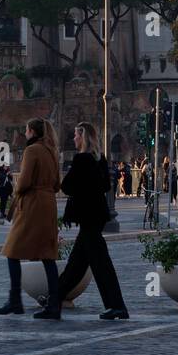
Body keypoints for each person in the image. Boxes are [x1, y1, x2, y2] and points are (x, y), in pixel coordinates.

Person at [47, 121, 128, 321]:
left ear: (83, 137)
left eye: (76, 135)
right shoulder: (99, 159)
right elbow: (103, 186)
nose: (73, 138)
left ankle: (117, 306)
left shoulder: (82, 159)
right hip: (96, 216)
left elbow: (66, 186)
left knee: (101, 265)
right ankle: (53, 301)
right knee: (76, 265)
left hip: (88, 217)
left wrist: (80, 188)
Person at [0, 118, 61, 317]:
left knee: (12, 250)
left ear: (32, 131)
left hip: (32, 204)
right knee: (48, 255)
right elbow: (58, 184)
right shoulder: (52, 151)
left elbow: (24, 182)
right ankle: (55, 304)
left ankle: (15, 301)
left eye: (26, 130)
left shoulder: (32, 151)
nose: (25, 134)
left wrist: (17, 187)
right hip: (49, 203)